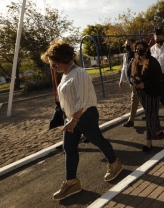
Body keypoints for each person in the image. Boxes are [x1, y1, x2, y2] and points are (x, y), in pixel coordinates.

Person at [41, 40, 122, 201]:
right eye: (52, 64)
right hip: (72, 117)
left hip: (85, 115)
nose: (53, 66)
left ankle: (114, 164)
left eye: (54, 63)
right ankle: (71, 182)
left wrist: (74, 120)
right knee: (68, 147)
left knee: (97, 140)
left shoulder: (79, 73)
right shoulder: (66, 74)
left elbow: (84, 100)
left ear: (63, 58)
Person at [131, 41, 164, 151]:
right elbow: (131, 75)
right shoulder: (135, 62)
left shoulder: (152, 61)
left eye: (141, 48)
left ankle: (148, 141)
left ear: (146, 49)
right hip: (141, 92)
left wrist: (145, 84)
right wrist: (134, 82)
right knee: (152, 113)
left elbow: (158, 78)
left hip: (153, 92)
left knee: (149, 115)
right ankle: (158, 130)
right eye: (137, 48)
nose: (139, 50)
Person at [119, 38, 139, 127]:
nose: (127, 45)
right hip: (130, 81)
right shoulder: (125, 55)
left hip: (137, 81)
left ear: (134, 44)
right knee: (141, 98)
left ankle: (131, 120)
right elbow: (124, 68)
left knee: (134, 99)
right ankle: (150, 113)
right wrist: (121, 80)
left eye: (129, 44)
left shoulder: (138, 54)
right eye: (126, 44)